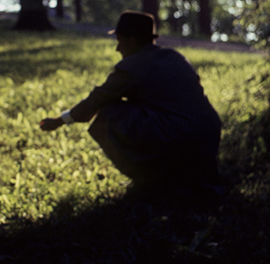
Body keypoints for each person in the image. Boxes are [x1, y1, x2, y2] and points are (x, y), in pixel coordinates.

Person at [40, 11, 222, 193]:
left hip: (179, 136)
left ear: (132, 41)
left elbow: (98, 99)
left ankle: (149, 179)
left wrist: (59, 121)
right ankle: (183, 179)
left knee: (109, 112)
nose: (117, 49)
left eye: (120, 41)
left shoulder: (132, 66)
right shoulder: (175, 57)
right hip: (209, 135)